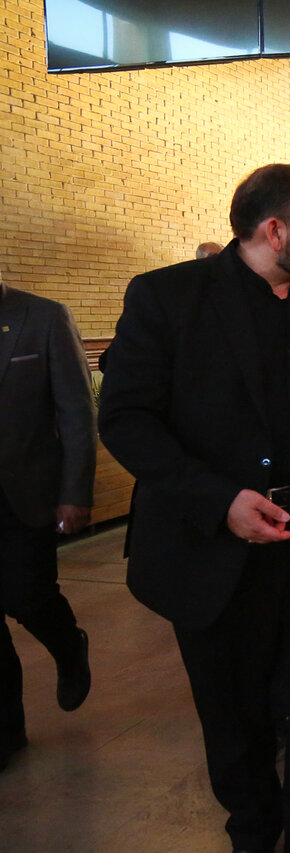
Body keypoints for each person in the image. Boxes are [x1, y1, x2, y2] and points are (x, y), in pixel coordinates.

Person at [98, 164, 290, 853]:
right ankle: (252, 829)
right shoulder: (167, 297)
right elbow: (126, 419)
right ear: (274, 230)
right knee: (235, 711)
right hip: (216, 547)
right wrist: (220, 500)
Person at [0, 276, 95, 773]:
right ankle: (6, 732)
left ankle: (67, 643)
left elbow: (76, 411)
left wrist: (74, 493)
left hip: (24, 495)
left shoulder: (42, 316)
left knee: (27, 595)